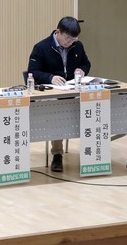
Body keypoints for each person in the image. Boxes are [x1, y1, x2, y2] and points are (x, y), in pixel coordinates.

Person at [27, 16, 91, 172]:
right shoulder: (41, 47)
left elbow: (86, 63)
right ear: (58, 32)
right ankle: (57, 153)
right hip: (51, 94)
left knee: (92, 102)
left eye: (74, 39)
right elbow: (32, 72)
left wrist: (82, 70)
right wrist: (50, 78)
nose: (71, 42)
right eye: (68, 38)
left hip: (72, 90)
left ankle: (93, 151)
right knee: (58, 110)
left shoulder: (77, 46)